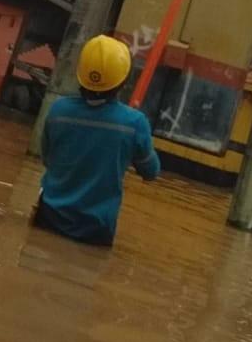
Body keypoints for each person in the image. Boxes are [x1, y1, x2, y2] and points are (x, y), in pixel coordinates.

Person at [34, 34, 160, 246]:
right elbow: (151, 172)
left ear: (81, 72)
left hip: (48, 218)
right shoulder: (134, 123)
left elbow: (47, 159)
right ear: (122, 80)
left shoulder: (58, 111)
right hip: (95, 230)